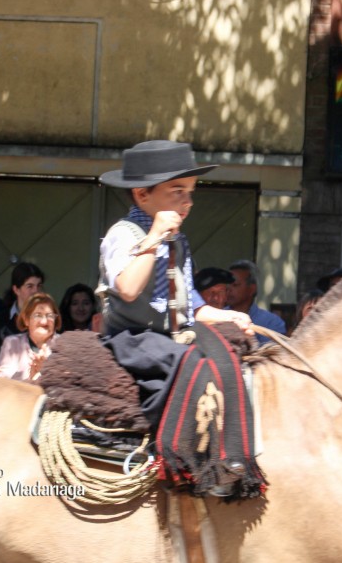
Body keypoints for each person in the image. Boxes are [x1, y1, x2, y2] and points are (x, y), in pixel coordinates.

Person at [97, 140, 260, 498]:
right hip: (131, 338)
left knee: (226, 357)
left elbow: (192, 307)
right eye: (177, 192)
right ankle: (181, 462)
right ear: (142, 195)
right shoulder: (122, 235)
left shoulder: (179, 242)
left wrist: (231, 316)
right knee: (193, 364)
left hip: (171, 335)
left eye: (190, 193)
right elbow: (127, 287)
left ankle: (234, 456)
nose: (188, 202)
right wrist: (153, 239)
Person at [0, 263, 45, 372]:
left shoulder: (49, 320)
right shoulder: (0, 322)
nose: (35, 291)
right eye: (30, 286)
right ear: (16, 289)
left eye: (39, 286)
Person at [0, 292, 60, 382]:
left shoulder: (64, 345)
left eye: (50, 316)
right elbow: (1, 381)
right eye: (38, 315)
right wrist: (30, 378)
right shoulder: (12, 343)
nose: (44, 321)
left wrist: (46, 371)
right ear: (26, 320)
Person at [227, 259, 286, 344]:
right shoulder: (217, 317)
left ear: (252, 289)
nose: (229, 290)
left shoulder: (271, 323)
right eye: (227, 285)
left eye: (235, 285)